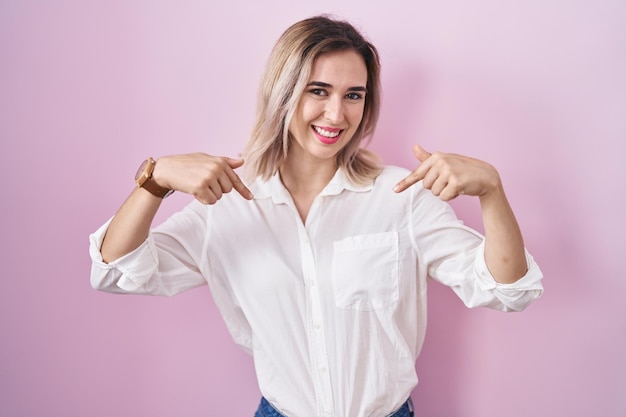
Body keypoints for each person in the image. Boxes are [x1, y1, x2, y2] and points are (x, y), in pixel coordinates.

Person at [89, 15, 544, 417]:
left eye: (354, 95)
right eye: (318, 91)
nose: (336, 113)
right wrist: (156, 179)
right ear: (284, 93)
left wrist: (491, 190)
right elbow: (113, 270)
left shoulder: (400, 195)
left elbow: (508, 290)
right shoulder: (227, 205)